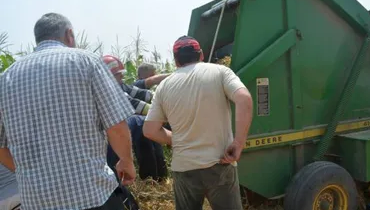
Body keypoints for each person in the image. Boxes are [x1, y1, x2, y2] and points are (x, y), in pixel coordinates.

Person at [0, 13, 136, 210]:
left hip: (36, 201)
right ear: (69, 35)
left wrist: (26, 171)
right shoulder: (87, 62)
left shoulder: (6, 79)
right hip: (91, 194)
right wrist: (126, 161)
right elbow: (116, 127)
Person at [143, 35, 253, 210]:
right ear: (201, 54)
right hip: (219, 163)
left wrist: (177, 139)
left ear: (176, 61)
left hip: (184, 168)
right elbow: (244, 99)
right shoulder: (220, 72)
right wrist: (238, 143)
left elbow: (149, 130)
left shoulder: (164, 86)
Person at [102, 55, 168, 181]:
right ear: (107, 76)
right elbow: (135, 104)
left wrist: (164, 98)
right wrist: (167, 113)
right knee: (140, 122)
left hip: (121, 132)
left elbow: (142, 94)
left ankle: (157, 178)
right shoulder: (107, 91)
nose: (122, 76)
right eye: (118, 74)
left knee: (145, 127)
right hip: (110, 137)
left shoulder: (120, 85)